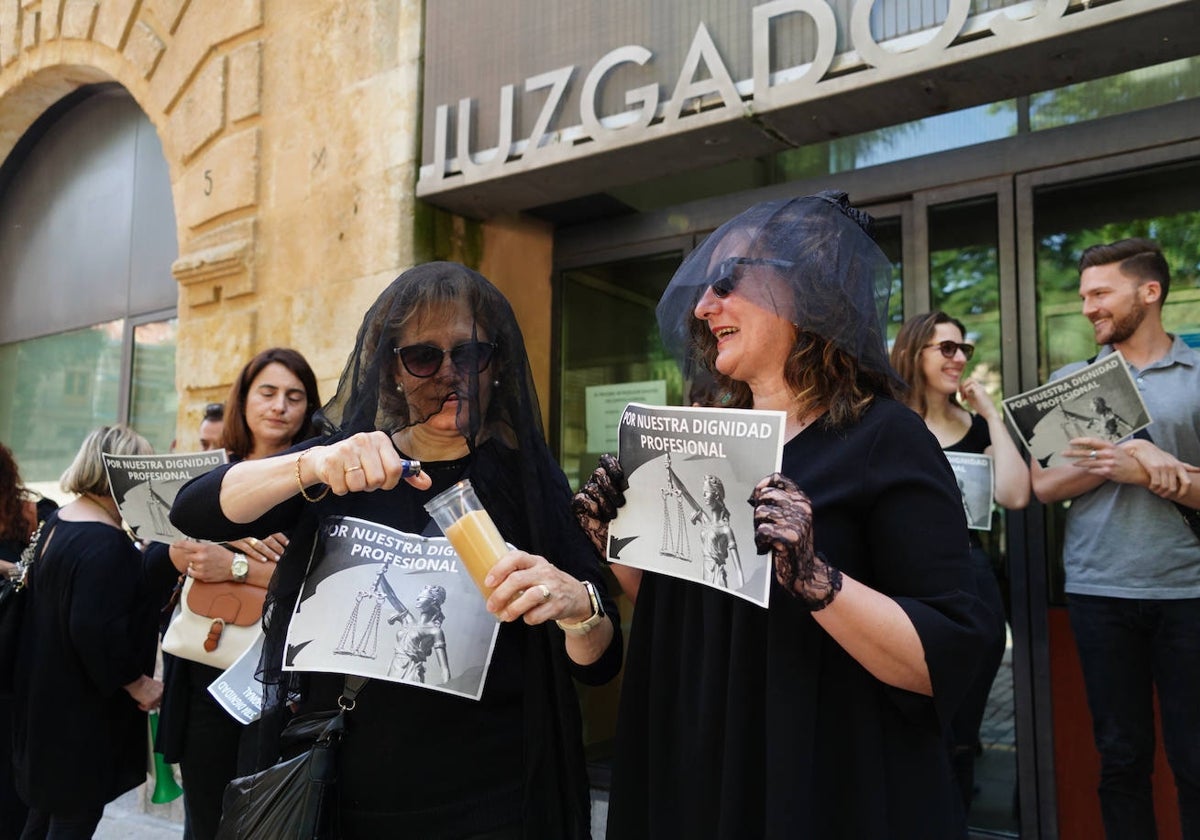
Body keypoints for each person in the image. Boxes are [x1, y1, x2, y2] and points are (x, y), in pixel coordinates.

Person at [575, 191, 1000, 839]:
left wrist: (817, 580)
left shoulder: (887, 436)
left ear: (809, 289)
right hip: (695, 767)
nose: (703, 306)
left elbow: (942, 657)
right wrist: (612, 539)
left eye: (727, 281)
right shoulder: (702, 439)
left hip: (817, 785)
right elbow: (677, 605)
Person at [170, 261, 622, 838]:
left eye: (471, 352)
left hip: (487, 805)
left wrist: (578, 609)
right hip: (340, 797)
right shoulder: (347, 464)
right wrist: (311, 465)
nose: (449, 373)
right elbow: (194, 510)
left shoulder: (526, 483)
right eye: (423, 356)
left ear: (498, 365)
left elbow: (602, 660)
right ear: (393, 372)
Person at [1030, 238, 1200, 840]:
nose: (1086, 308)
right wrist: (1128, 456)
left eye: (1100, 293)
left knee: (1195, 760)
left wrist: (1158, 473)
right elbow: (1044, 485)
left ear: (1148, 292)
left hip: (1188, 592)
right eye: (1083, 296)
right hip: (1100, 590)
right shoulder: (1076, 382)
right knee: (1120, 759)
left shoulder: (1198, 374)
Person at [156, 347, 321, 840]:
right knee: (204, 820)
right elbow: (149, 567)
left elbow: (325, 581)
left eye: (295, 396)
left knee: (266, 822)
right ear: (243, 400)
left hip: (277, 686)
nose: (279, 406)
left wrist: (238, 564)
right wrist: (178, 556)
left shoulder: (318, 483)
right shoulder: (210, 479)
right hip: (204, 673)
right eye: (267, 393)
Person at [891, 310, 1030, 812]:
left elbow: (1015, 495)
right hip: (903, 586)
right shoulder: (890, 425)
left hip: (970, 586)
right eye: (945, 348)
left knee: (962, 736)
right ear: (913, 354)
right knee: (913, 731)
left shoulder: (975, 428)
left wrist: (992, 416)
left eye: (963, 349)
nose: (958, 359)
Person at [11, 426, 164, 839]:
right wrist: (138, 684)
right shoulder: (104, 543)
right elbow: (93, 630)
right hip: (81, 718)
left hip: (47, 703)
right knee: (71, 824)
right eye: (140, 469)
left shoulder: (61, 520)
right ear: (118, 473)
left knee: (44, 818)